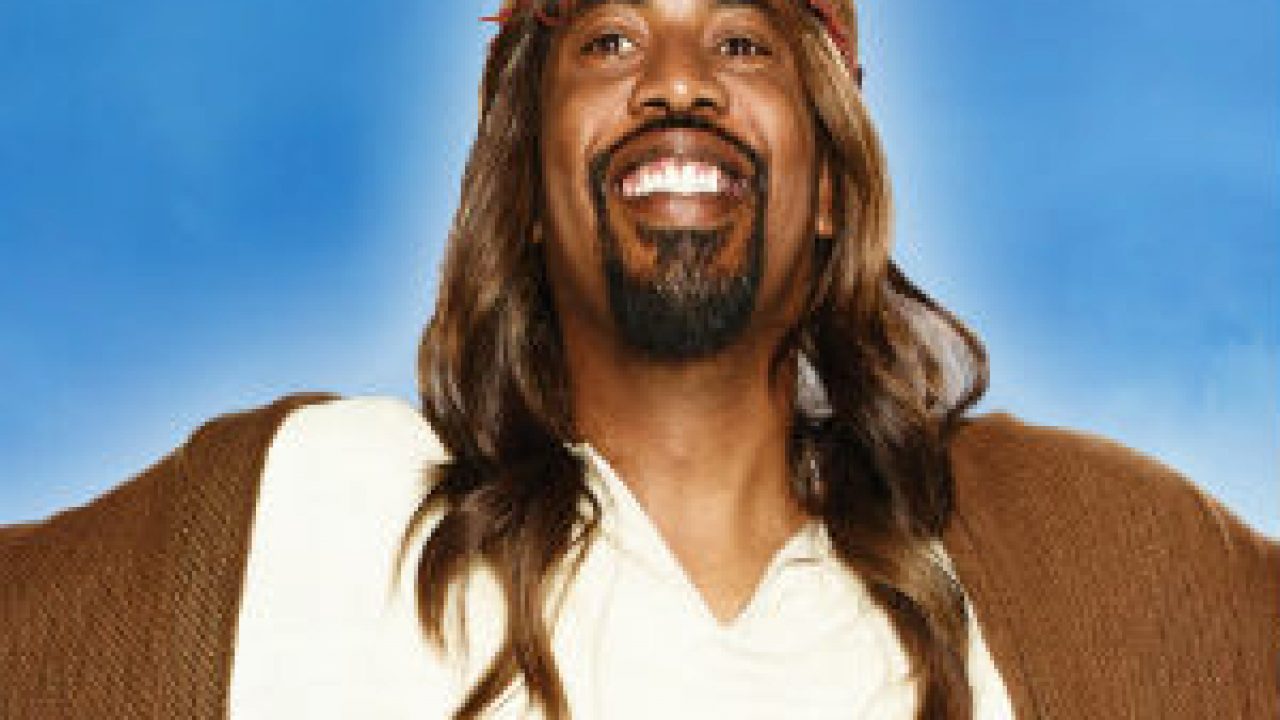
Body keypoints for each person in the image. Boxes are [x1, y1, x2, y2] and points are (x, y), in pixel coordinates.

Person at [2, 0, 1275, 718]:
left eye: (741, 42)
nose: (677, 83)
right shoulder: (305, 509)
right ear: (524, 186)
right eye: (609, 38)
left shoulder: (1069, 553)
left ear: (830, 187)